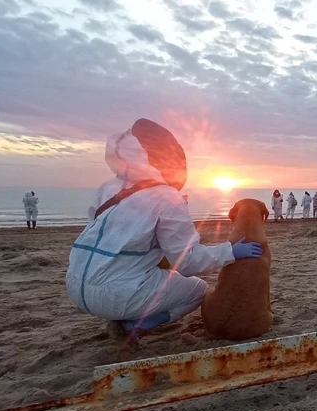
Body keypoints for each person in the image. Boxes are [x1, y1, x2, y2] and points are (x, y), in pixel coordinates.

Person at [66, 119, 264, 342]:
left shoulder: (109, 187)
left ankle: (124, 312)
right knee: (197, 290)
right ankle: (133, 325)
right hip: (116, 296)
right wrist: (230, 252)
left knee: (148, 271)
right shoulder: (167, 196)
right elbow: (189, 262)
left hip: (75, 285)